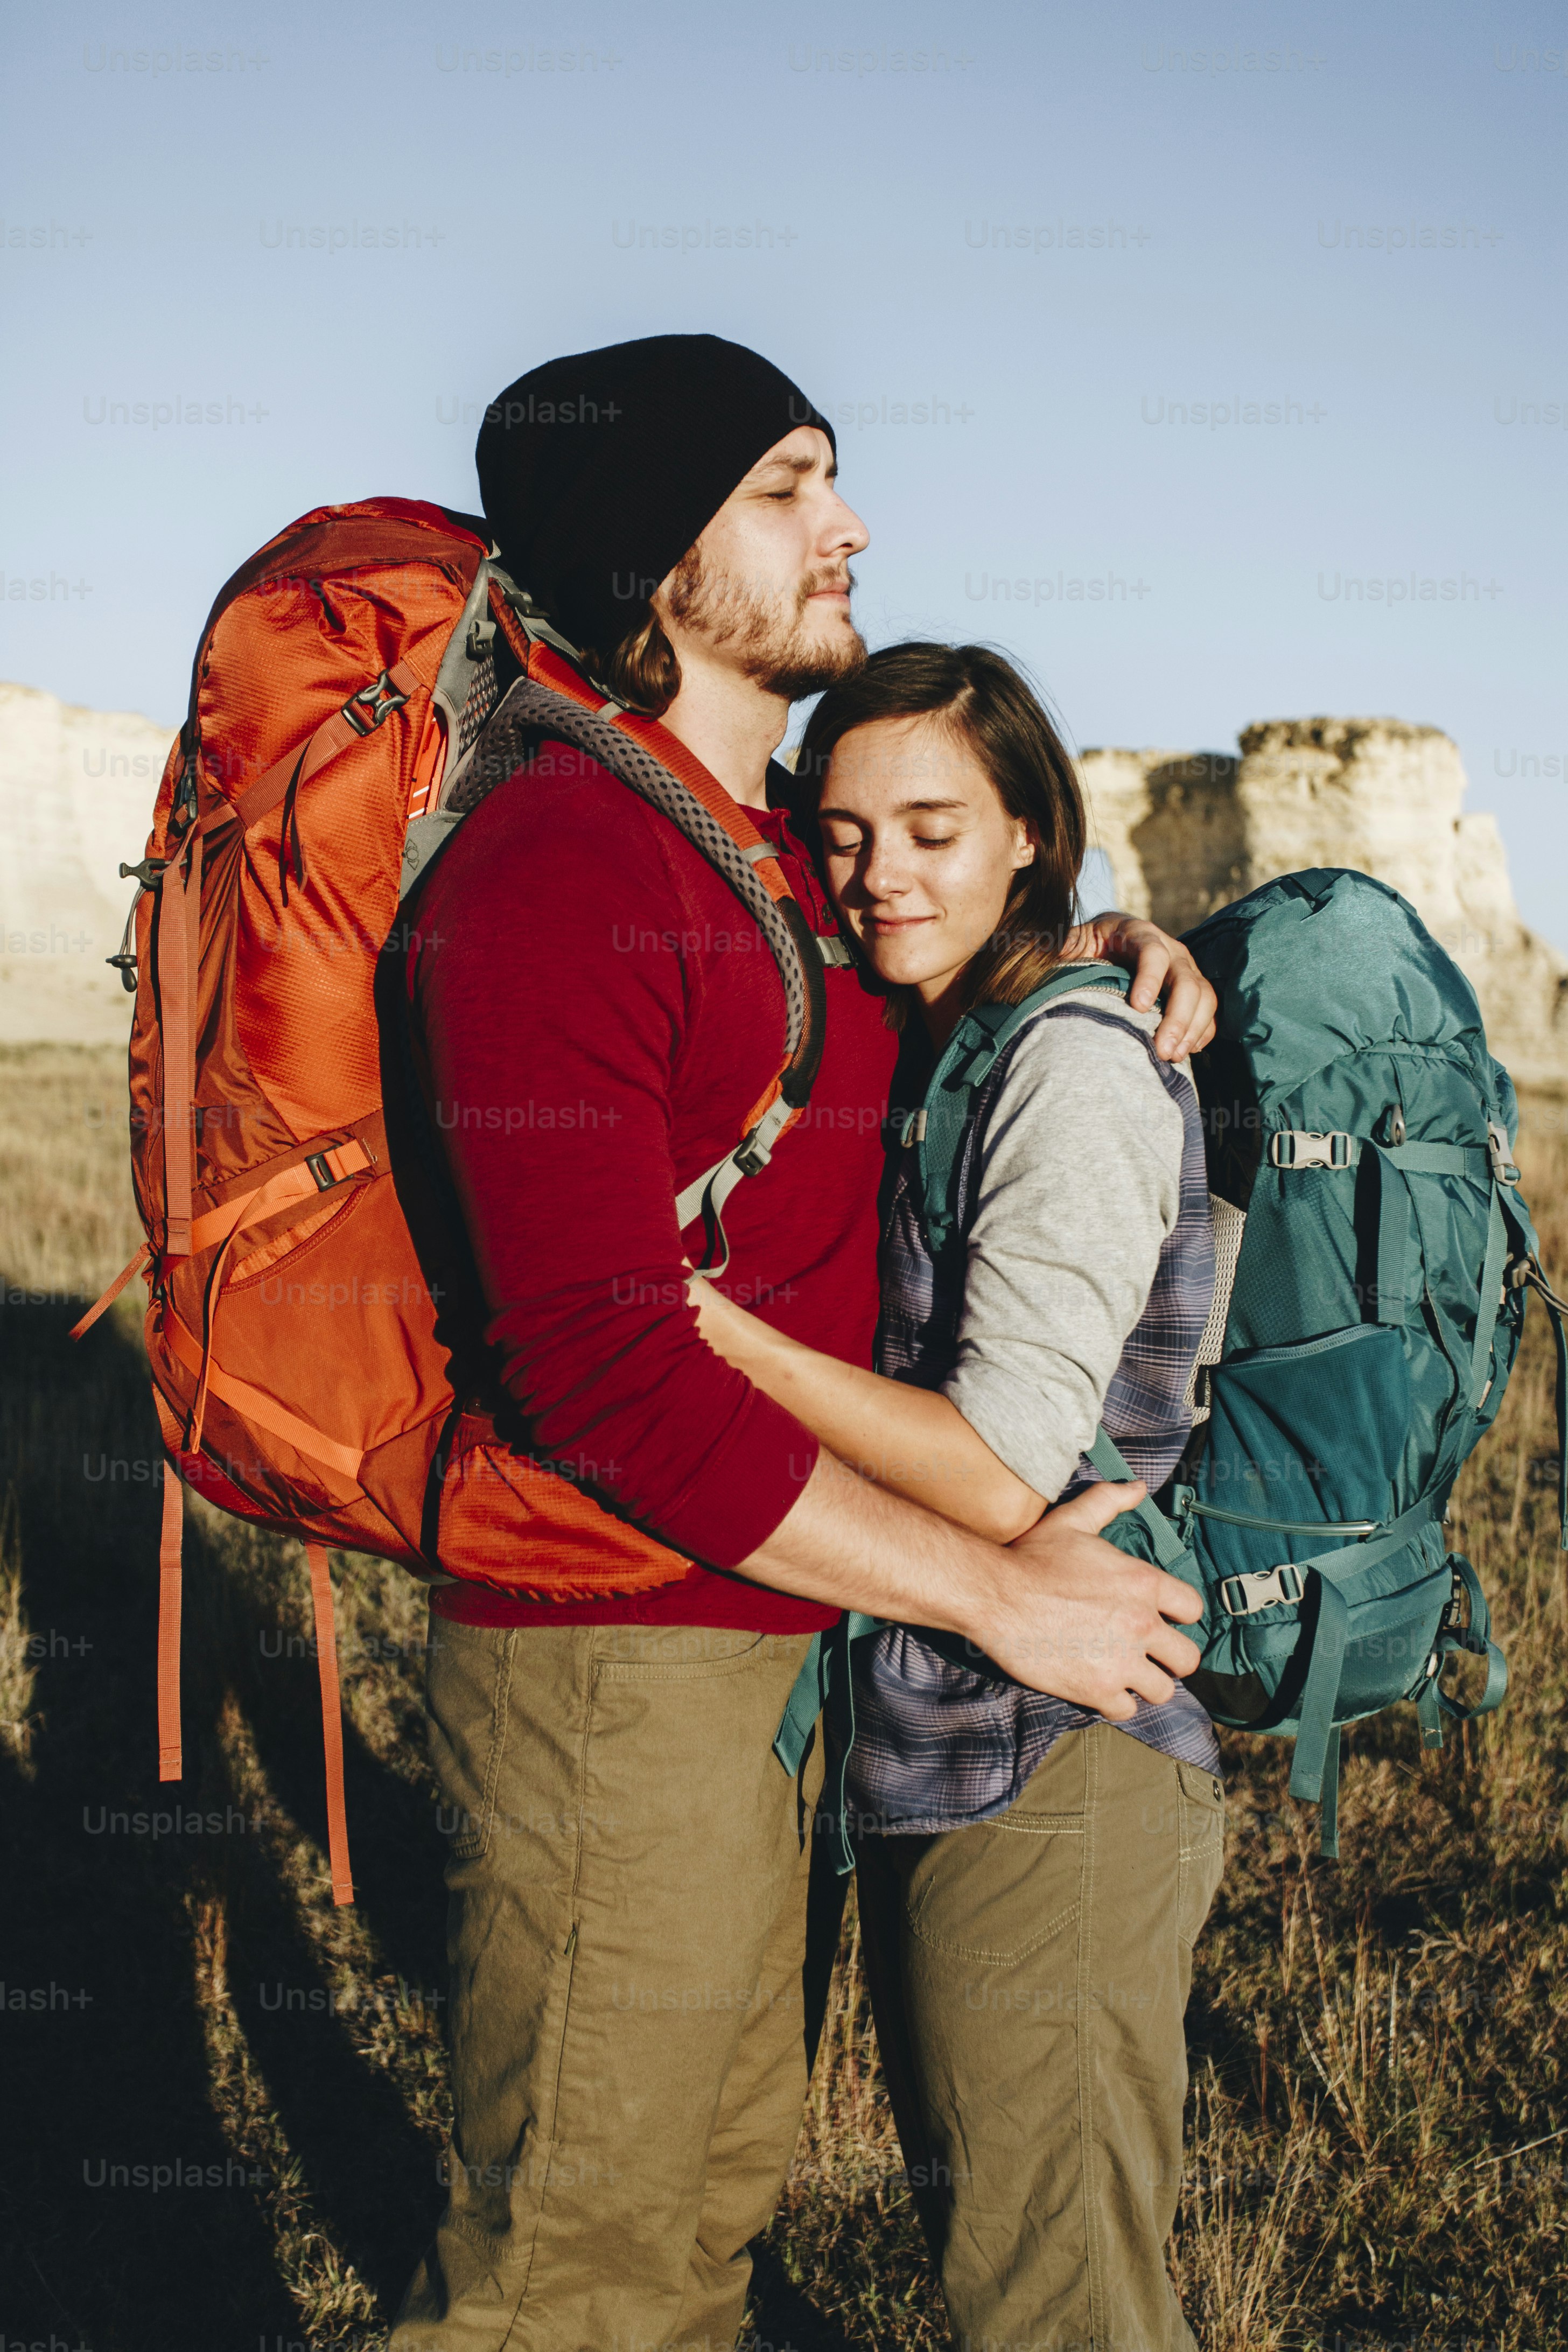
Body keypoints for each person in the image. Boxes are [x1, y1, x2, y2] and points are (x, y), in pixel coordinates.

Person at [390, 334, 1215, 2352]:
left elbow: (933, 1028)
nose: (847, 521)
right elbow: (590, 1360)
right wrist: (992, 1595)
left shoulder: (767, 862)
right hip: (613, 1660)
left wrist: (1090, 943)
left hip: (763, 1656)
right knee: (578, 2278)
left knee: (694, 2241)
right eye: (784, 486)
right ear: (655, 552)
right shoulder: (566, 867)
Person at [691, 640, 1224, 2352]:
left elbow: (1001, 1466)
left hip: (1065, 1748)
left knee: (1055, 2292)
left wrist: (696, 1324)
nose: (877, 878)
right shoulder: (967, 1030)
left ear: (1027, 835)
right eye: (842, 838)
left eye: (932, 828)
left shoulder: (1066, 1067)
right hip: (955, 1724)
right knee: (1001, 2240)